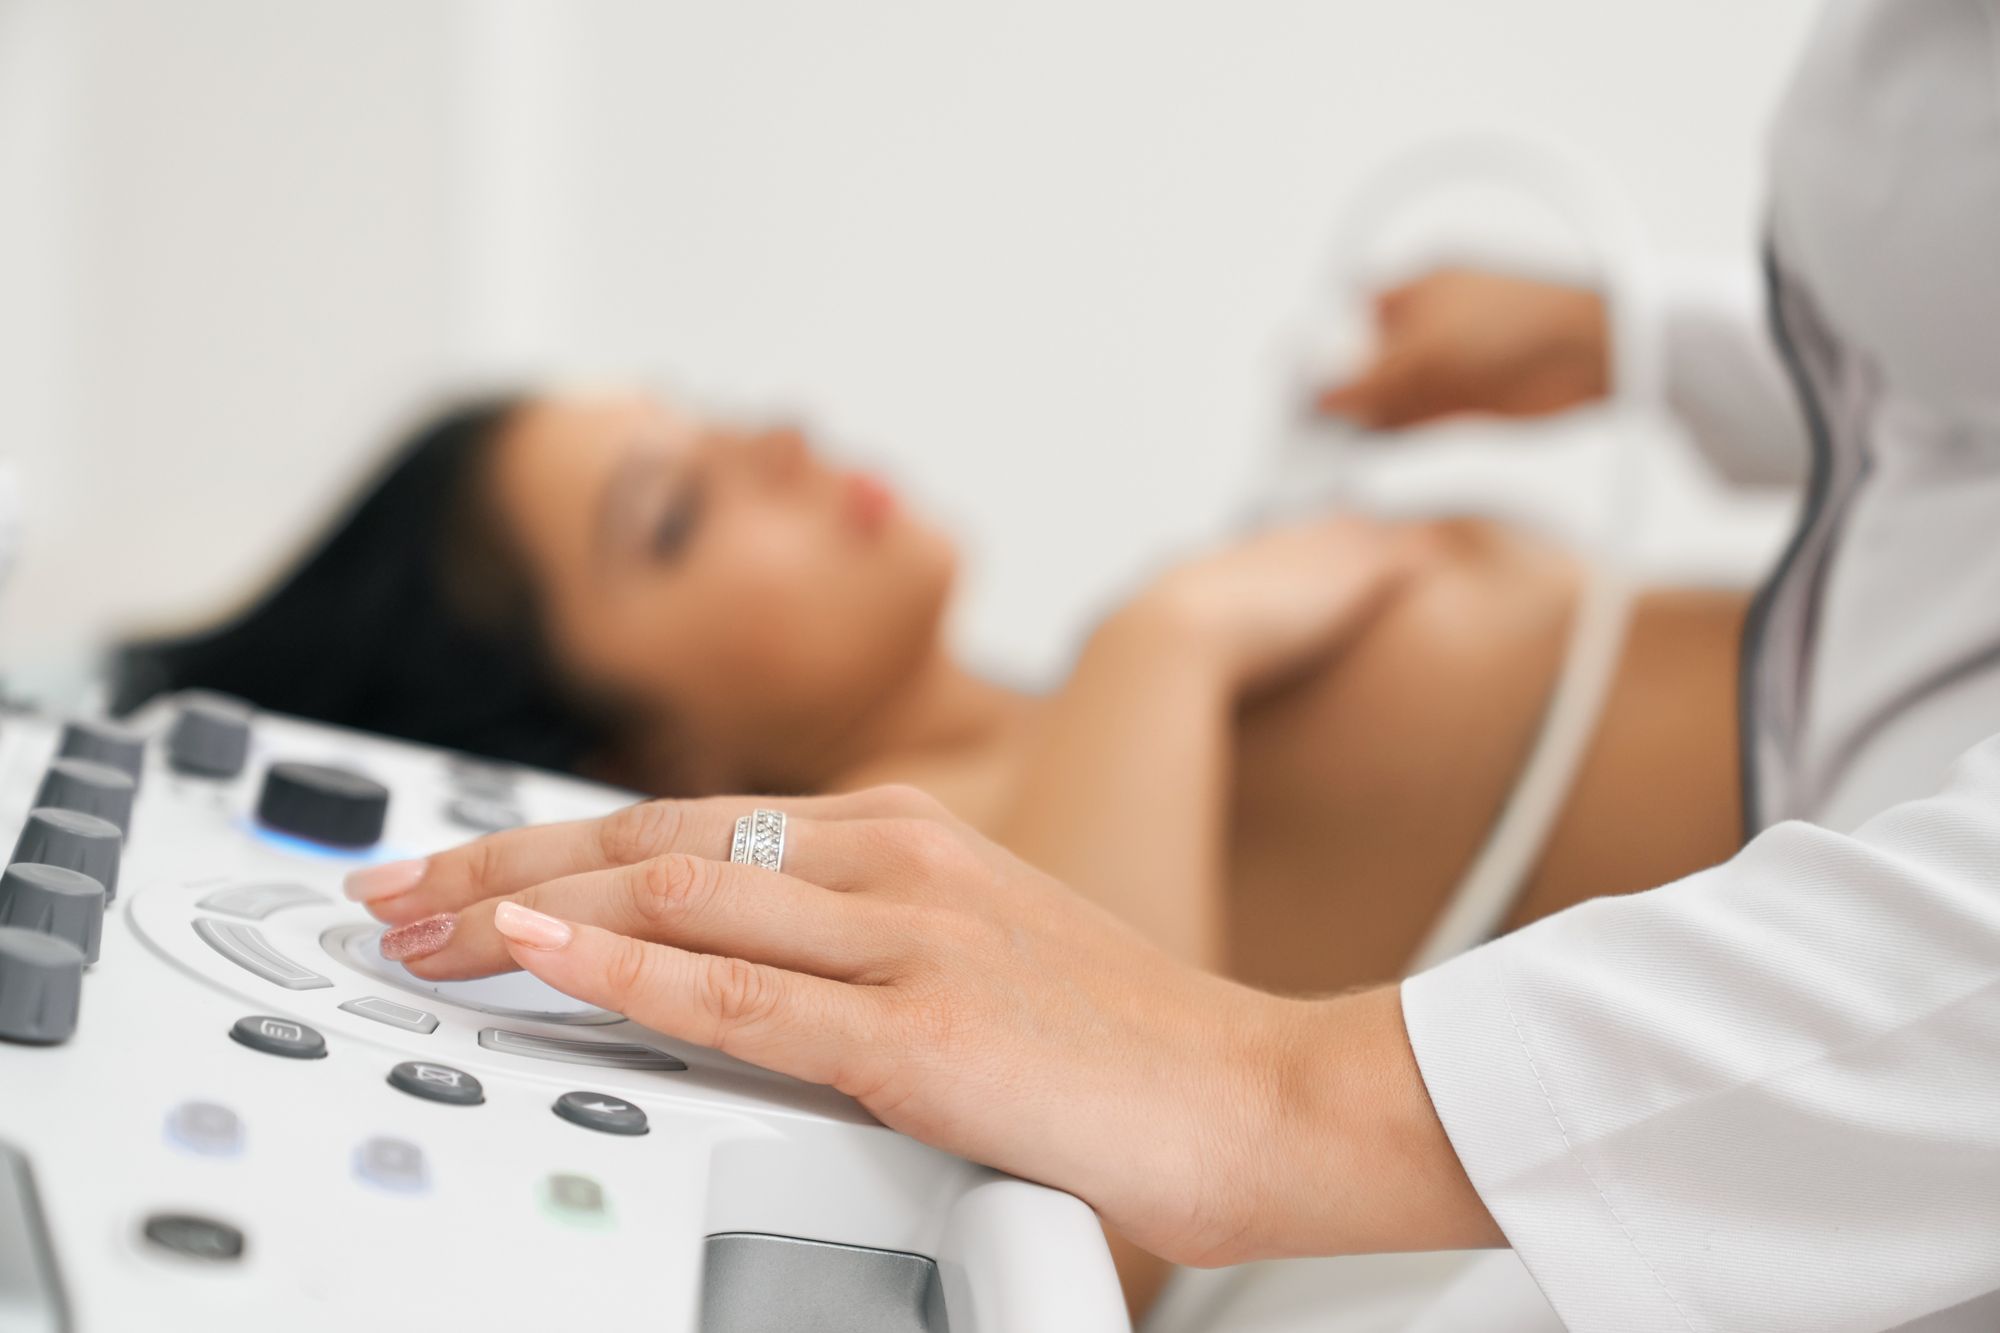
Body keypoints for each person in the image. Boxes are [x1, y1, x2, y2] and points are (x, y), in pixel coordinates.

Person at [342, 0, 2000, 1327]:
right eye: (675, 516)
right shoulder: (938, 824)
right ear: (638, 751)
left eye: (706, 414)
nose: (771, 440)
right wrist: (1169, 646)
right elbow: (1082, 1249)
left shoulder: (1047, 748)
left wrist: (1648, 346)